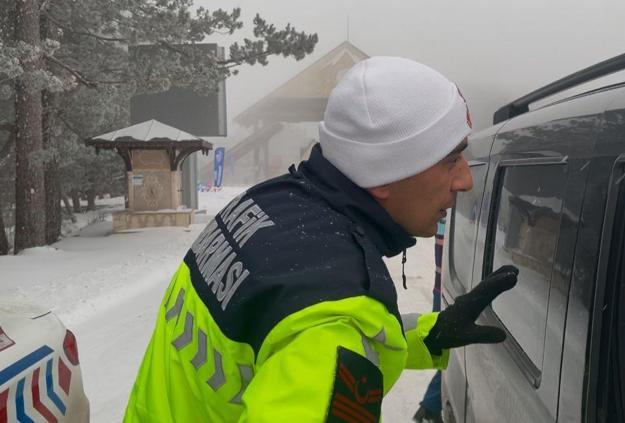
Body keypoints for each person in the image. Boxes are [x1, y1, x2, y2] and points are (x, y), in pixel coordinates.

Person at [123, 57, 518, 422]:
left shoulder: (264, 203)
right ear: (383, 172)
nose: (465, 180)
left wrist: (429, 334)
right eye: (450, 160)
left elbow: (277, 334)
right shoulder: (333, 317)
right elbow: (320, 334)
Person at [413, 218, 446, 423]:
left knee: (450, 353)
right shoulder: (450, 218)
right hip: (447, 292)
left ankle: (430, 408)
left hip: (441, 290)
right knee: (453, 353)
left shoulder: (446, 218)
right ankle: (430, 409)